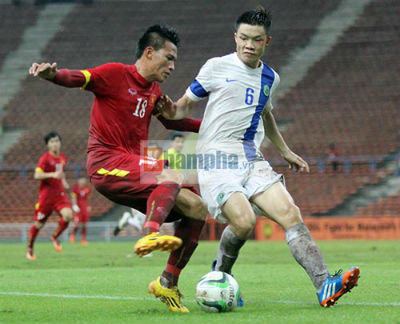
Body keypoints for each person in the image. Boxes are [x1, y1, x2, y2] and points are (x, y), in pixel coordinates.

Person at [157, 8, 360, 308]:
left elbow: (265, 113)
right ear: (235, 37)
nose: (249, 44)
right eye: (244, 38)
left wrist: (285, 150)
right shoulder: (216, 67)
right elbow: (184, 105)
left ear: (267, 41)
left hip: (251, 160)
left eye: (256, 39)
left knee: (291, 214)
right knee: (244, 222)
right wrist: (168, 109)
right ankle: (221, 274)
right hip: (217, 160)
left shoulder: (270, 77)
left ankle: (324, 284)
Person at [29, 24, 208, 313]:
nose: (173, 66)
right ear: (150, 52)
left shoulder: (154, 91)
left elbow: (174, 122)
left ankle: (167, 282)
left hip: (135, 165)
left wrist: (215, 127)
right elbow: (78, 77)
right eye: (169, 57)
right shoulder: (114, 74)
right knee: (171, 173)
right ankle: (150, 231)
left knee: (198, 207)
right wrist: (52, 76)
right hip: (106, 163)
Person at [26, 131, 73, 260]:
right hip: (46, 197)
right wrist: (51, 175)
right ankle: (30, 247)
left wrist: (64, 182)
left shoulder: (63, 158)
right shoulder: (45, 159)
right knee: (38, 225)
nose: (55, 144)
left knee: (68, 215)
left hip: (59, 195)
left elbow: (60, 173)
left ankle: (55, 237)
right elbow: (37, 175)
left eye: (57, 141)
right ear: (48, 145)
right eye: (52, 142)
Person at [69, 177, 92, 245]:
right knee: (77, 223)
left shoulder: (87, 188)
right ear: (79, 182)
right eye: (81, 182)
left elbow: (89, 198)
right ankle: (73, 235)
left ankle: (83, 240)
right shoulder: (75, 188)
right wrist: (74, 205)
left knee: (85, 224)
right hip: (78, 208)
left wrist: (89, 206)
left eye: (83, 182)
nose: (82, 183)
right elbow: (73, 197)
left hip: (85, 207)